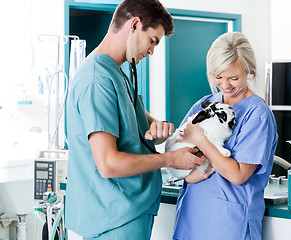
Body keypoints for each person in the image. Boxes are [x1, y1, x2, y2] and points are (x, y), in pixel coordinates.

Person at [65, 0, 205, 239]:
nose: (152, 51)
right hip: (114, 219)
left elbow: (142, 125)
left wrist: (158, 127)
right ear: (134, 25)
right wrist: (170, 159)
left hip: (129, 213)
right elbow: (108, 163)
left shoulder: (119, 73)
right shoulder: (97, 79)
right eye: (152, 41)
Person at [172, 32, 278, 240]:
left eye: (234, 78)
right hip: (191, 217)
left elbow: (238, 175)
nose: (225, 85)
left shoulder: (258, 115)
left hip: (228, 225)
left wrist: (202, 140)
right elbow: (179, 151)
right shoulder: (205, 103)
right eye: (218, 77)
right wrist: (187, 177)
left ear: (249, 71)